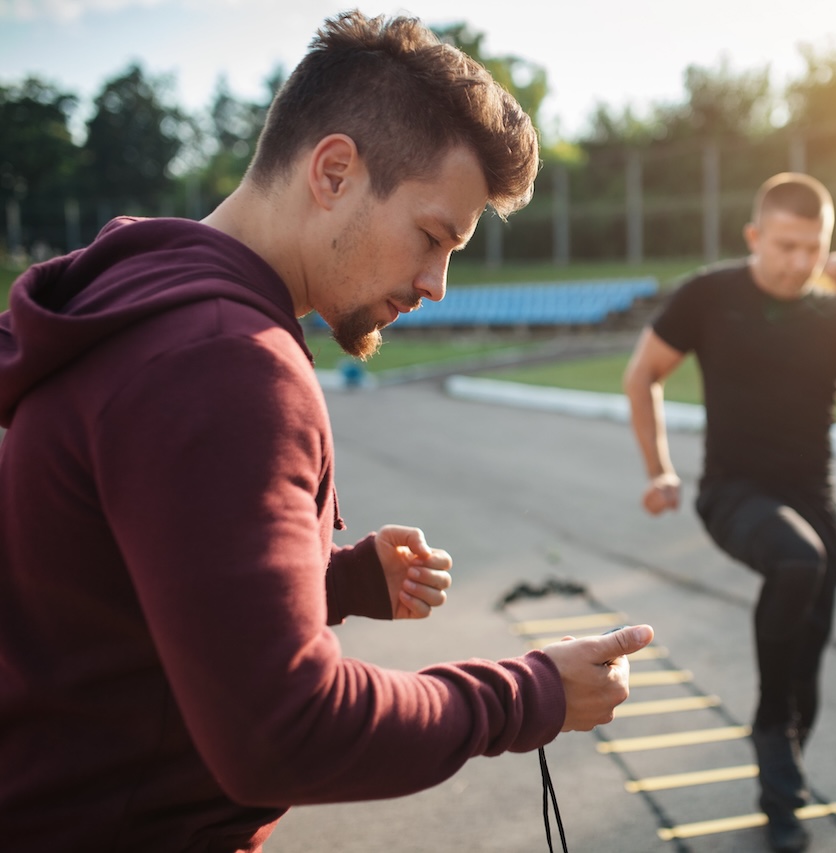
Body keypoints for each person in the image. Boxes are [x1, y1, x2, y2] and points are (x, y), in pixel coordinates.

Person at [0, 11, 653, 851]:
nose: (436, 283)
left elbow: (111, 594)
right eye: (431, 236)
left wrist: (332, 583)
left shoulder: (144, 303)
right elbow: (281, 735)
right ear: (334, 171)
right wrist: (526, 694)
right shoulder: (226, 364)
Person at [623, 172, 836, 852]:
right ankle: (768, 729)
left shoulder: (833, 311)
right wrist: (660, 470)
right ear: (756, 236)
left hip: (816, 503)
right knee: (797, 562)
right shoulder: (710, 295)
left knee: (806, 680)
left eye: (812, 250)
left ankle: (779, 797)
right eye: (786, 245)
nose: (798, 263)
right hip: (733, 494)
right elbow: (642, 374)